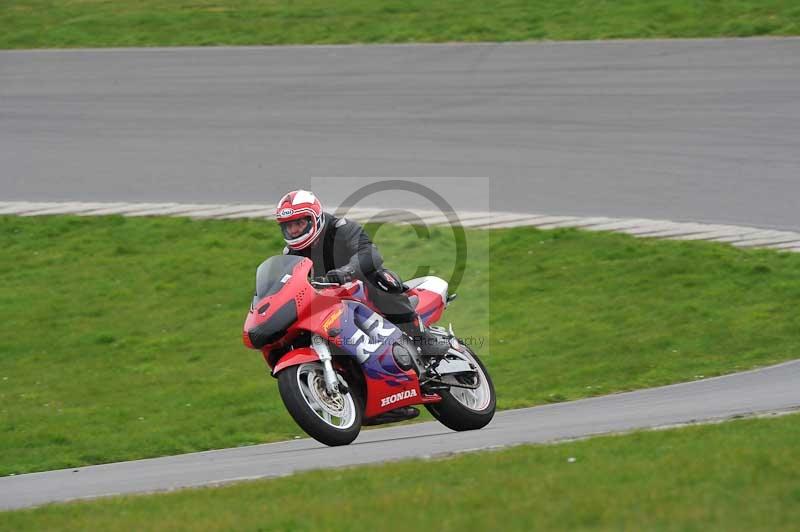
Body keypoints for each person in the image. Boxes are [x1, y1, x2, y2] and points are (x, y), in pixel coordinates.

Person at [274, 189, 447, 423]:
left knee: (379, 277)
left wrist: (346, 272)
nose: (294, 230)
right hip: (333, 305)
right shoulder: (290, 254)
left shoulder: (340, 228)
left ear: (315, 218)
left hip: (359, 287)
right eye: (289, 226)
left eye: (299, 223)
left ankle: (422, 337)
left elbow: (370, 254)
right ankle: (372, 397)